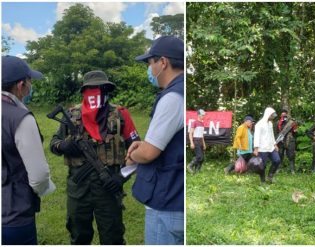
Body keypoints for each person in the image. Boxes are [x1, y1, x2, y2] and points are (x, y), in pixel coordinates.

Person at [50, 70, 140, 244]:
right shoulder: (70, 116)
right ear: (84, 92)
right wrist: (63, 146)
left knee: (113, 237)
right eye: (91, 89)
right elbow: (54, 143)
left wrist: (121, 177)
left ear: (107, 90)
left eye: (100, 88)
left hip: (108, 188)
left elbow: (138, 151)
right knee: (78, 237)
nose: (96, 93)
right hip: (78, 189)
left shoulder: (121, 115)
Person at [126, 35, 184, 245]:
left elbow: (149, 152)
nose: (149, 69)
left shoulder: (172, 98)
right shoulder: (181, 91)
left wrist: (133, 154)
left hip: (167, 201)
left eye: (150, 63)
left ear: (163, 62)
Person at [2, 55, 56, 245]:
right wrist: (43, 189)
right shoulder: (21, 118)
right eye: (30, 81)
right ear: (20, 85)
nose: (31, 86)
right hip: (14, 216)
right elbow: (40, 175)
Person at [253, 107, 281, 183]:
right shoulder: (259, 124)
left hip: (271, 147)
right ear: (267, 115)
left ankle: (270, 175)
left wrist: (275, 144)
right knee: (262, 166)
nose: (273, 117)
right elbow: (256, 136)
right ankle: (263, 181)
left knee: (277, 160)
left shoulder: (270, 124)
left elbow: (272, 135)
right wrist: (256, 148)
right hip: (262, 148)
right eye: (272, 115)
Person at [276, 109, 298, 173]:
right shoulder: (278, 122)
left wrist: (294, 128)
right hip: (281, 140)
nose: (283, 115)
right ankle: (278, 168)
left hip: (290, 139)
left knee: (291, 155)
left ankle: (292, 169)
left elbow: (295, 133)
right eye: (282, 114)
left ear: (287, 115)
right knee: (280, 154)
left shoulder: (292, 122)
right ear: (280, 115)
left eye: (285, 114)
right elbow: (276, 132)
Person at [188, 109, 206, 173]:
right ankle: (190, 166)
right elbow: (190, 133)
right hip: (196, 140)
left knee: (202, 158)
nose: (204, 116)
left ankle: (197, 170)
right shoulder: (194, 122)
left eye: (204, 115)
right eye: (202, 115)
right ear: (198, 115)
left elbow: (202, 135)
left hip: (200, 141)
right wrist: (191, 143)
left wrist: (204, 144)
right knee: (199, 156)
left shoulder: (202, 123)